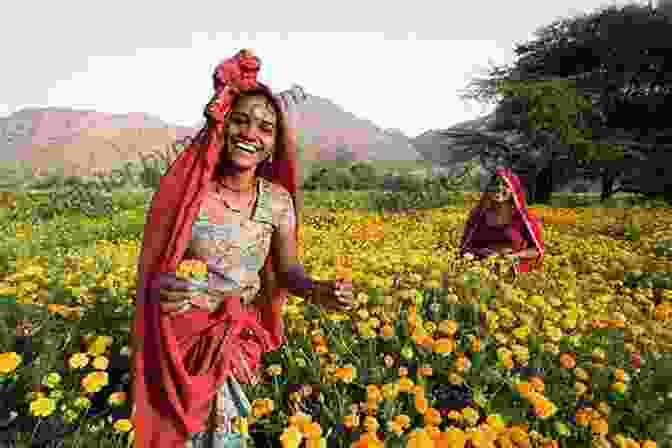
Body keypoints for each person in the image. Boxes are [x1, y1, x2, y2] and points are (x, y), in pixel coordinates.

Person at [131, 49, 354, 448]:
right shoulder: (189, 196)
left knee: (229, 435)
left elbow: (288, 272)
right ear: (224, 125)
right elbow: (156, 269)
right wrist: (165, 288)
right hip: (184, 338)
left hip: (236, 339)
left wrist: (319, 290)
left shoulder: (278, 202)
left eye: (266, 128)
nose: (252, 133)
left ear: (273, 144)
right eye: (241, 120)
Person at [459, 167, 544, 275]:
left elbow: (537, 250)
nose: (499, 188)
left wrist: (513, 257)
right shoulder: (478, 217)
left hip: (513, 271)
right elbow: (466, 247)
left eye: (505, 185)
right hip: (482, 270)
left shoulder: (525, 218)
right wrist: (472, 256)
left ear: (513, 189)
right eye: (495, 184)